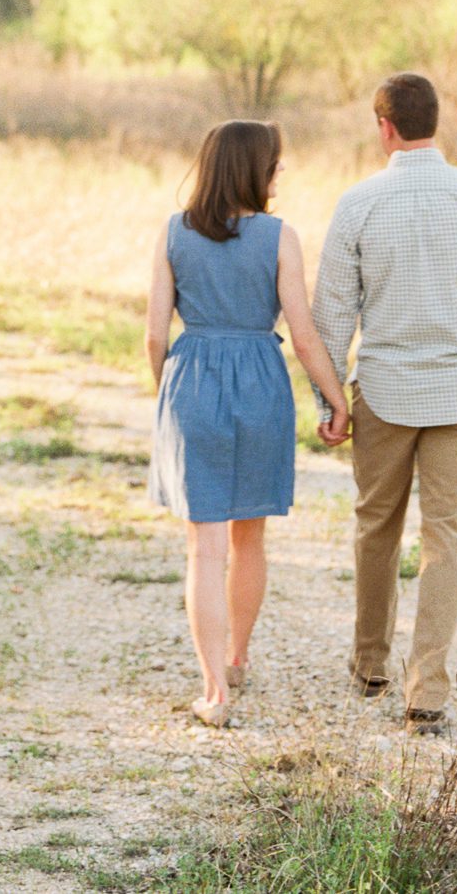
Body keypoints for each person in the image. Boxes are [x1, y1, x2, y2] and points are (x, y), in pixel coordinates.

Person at [312, 72, 457, 735]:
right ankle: (427, 692)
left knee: (375, 528)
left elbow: (331, 317)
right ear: (436, 120)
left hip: (381, 390)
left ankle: (369, 664)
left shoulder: (357, 205)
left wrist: (330, 403)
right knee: (447, 541)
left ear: (383, 127)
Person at [146, 118, 350, 727]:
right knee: (248, 537)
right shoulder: (280, 237)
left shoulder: (173, 233)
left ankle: (214, 692)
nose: (280, 171)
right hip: (261, 381)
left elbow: (155, 333)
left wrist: (171, 395)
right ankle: (237, 656)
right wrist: (334, 398)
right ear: (255, 169)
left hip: (192, 381)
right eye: (275, 162)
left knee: (204, 547)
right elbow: (305, 333)